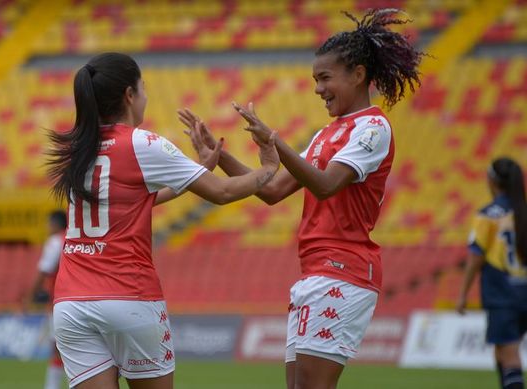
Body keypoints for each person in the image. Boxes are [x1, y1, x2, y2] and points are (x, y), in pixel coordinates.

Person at [178, 9, 424, 389]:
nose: (317, 89)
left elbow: (326, 185)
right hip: (316, 271)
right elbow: (273, 190)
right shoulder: (328, 133)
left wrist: (274, 140)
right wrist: (219, 153)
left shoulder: (373, 128)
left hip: (343, 269)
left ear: (358, 75)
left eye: (325, 78)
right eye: (314, 79)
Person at [46, 52, 279, 389]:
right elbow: (223, 193)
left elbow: (138, 200)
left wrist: (199, 172)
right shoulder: (143, 143)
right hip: (129, 297)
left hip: (71, 304)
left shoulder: (77, 148)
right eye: (143, 89)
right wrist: (269, 169)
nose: (145, 97)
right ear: (129, 95)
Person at [457, 158, 527, 389]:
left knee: (509, 354)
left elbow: (476, 256)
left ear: (492, 181)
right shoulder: (522, 213)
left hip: (503, 295)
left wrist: (463, 293)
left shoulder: (488, 215)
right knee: (502, 352)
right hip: (522, 291)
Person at [25, 210, 67, 389]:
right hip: (82, 298)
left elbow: (44, 270)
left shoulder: (55, 241)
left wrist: (30, 296)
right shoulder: (75, 237)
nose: (47, 227)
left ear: (56, 224)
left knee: (58, 349)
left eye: (49, 223)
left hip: (60, 302)